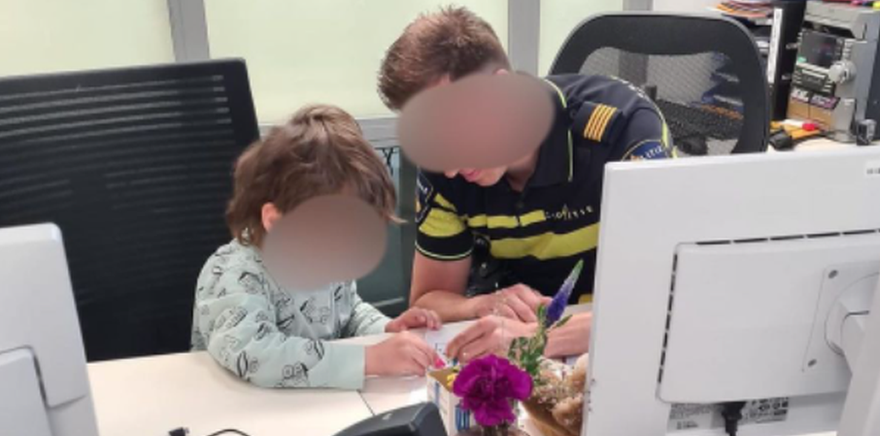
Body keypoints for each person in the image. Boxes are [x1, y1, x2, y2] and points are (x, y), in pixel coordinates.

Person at [378, 7, 675, 363]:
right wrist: (480, 304)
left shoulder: (624, 132)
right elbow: (429, 299)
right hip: (512, 353)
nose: (451, 167)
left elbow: (666, 301)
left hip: (614, 351)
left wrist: (535, 341)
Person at [191, 104, 441, 389]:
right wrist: (370, 359)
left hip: (314, 407)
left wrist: (385, 329)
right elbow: (255, 353)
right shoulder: (232, 274)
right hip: (236, 414)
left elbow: (349, 313)